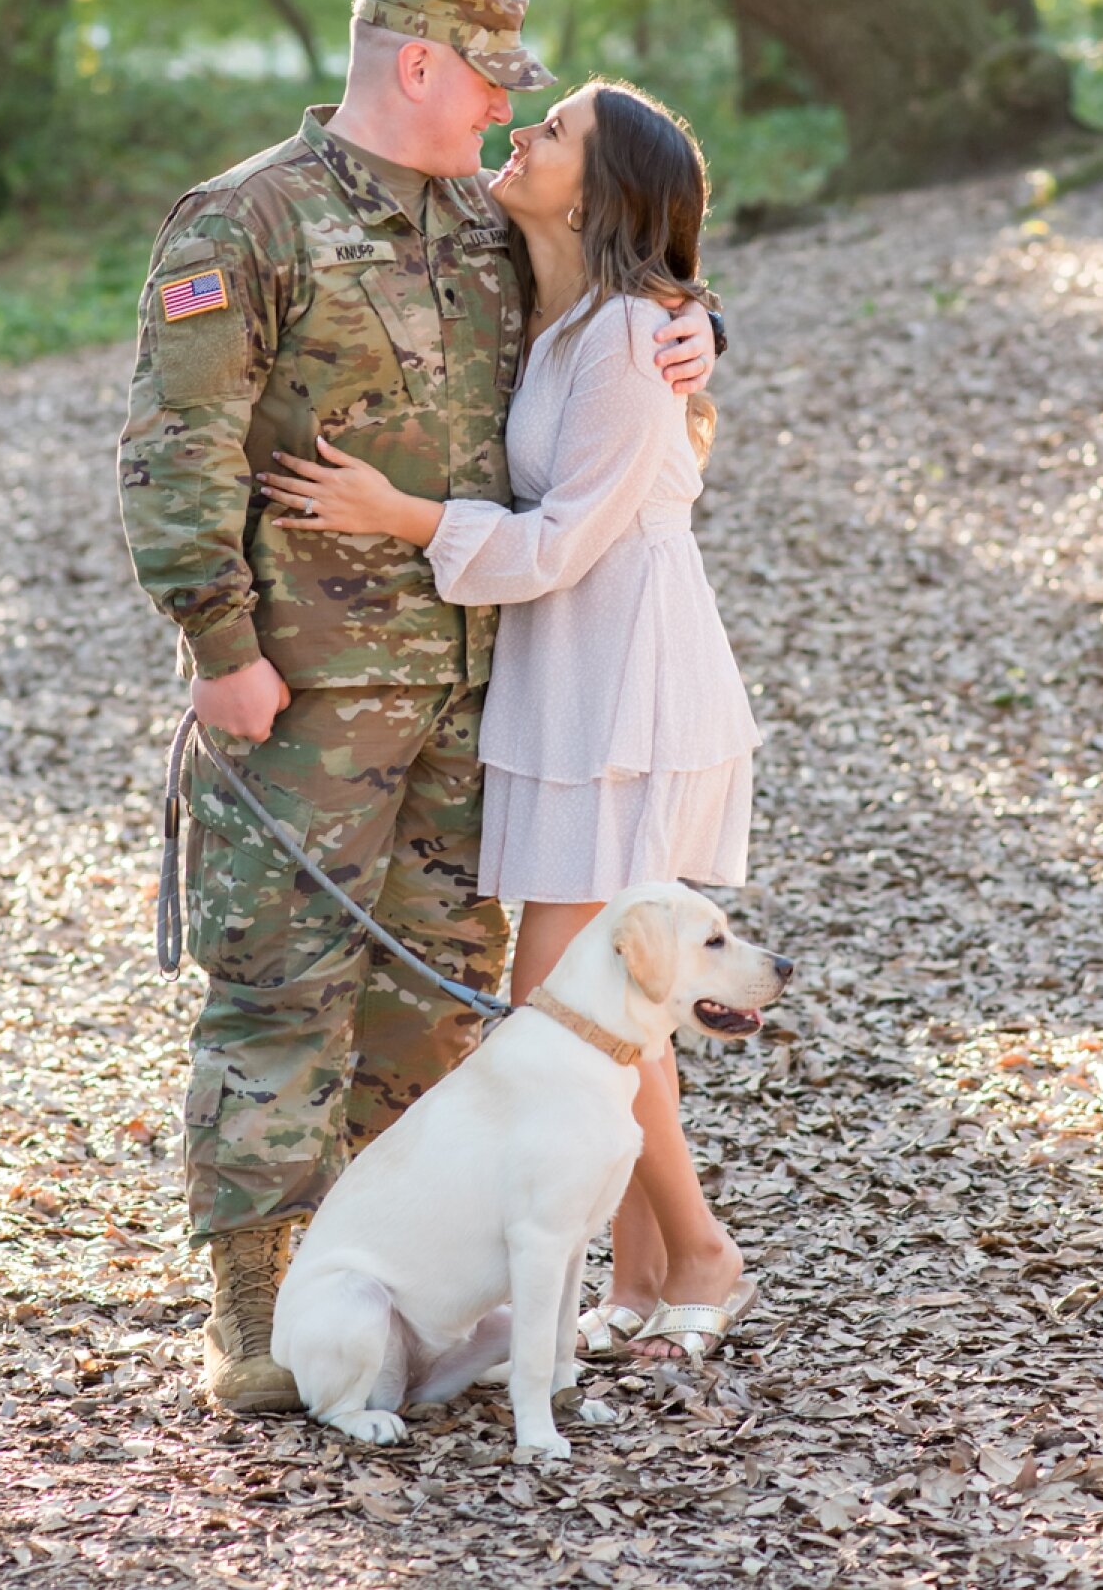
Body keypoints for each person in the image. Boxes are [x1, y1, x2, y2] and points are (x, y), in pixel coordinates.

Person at [117, 0, 721, 1414]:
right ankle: (261, 1314)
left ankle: (389, 1276)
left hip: (477, 696)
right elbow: (176, 448)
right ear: (416, 65)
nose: (506, 122)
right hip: (306, 693)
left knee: (429, 1009)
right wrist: (221, 647)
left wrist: (704, 331)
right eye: (490, 88)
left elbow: (619, 314)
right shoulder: (245, 222)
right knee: (277, 991)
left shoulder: (486, 221)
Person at [260, 78, 761, 1368]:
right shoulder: (557, 303)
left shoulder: (629, 336)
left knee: (576, 999)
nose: (517, 138)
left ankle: (701, 1252)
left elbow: (557, 542)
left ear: (595, 193)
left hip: (626, 686)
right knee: (610, 1002)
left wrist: (404, 517)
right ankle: (646, 1279)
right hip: (569, 681)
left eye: (548, 136)